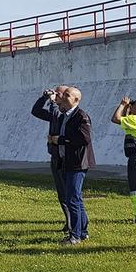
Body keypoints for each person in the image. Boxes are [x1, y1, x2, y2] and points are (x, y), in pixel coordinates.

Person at [49, 87, 95, 245]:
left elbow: (84, 138)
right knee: (75, 198)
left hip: (78, 162)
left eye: (67, 95)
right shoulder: (65, 116)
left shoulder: (81, 116)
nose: (63, 97)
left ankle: (75, 235)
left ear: (76, 100)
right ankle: (82, 231)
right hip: (67, 161)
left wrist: (60, 139)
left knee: (72, 199)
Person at [30, 85, 71, 235]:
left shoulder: (65, 113)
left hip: (64, 156)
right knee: (61, 192)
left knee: (68, 191)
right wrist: (43, 98)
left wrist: (53, 102)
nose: (55, 94)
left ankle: (73, 223)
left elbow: (55, 115)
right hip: (55, 155)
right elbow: (35, 111)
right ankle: (69, 221)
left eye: (58, 93)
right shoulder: (56, 112)